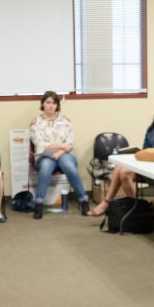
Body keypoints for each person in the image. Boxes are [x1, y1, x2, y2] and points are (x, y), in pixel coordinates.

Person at [88, 94, 154, 216]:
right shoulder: (152, 127)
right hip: (149, 165)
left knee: (123, 172)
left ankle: (110, 204)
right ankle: (136, 208)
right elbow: (145, 149)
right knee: (121, 169)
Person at [29, 91, 91, 220]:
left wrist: (60, 151)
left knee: (68, 165)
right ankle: (39, 203)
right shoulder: (36, 122)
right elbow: (40, 145)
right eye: (48, 102)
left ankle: (84, 200)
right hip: (44, 156)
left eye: (54, 103)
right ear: (43, 104)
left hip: (64, 155)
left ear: (57, 105)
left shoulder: (65, 120)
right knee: (46, 166)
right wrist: (61, 146)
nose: (51, 105)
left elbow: (70, 142)